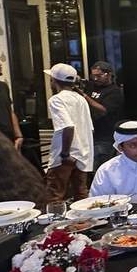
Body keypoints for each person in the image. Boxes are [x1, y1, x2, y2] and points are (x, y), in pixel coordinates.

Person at [43, 64, 93, 203]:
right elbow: (89, 127)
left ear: (53, 80)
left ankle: (55, 218)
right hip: (82, 153)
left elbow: (68, 126)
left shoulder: (56, 99)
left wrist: (65, 154)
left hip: (65, 155)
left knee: (54, 195)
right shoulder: (81, 99)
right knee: (81, 195)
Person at [84, 61, 126, 172]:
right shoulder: (91, 86)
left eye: (99, 76)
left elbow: (103, 110)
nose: (95, 79)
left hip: (105, 136)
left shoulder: (114, 91)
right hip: (91, 134)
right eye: (93, 76)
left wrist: (85, 97)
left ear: (108, 74)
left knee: (101, 169)